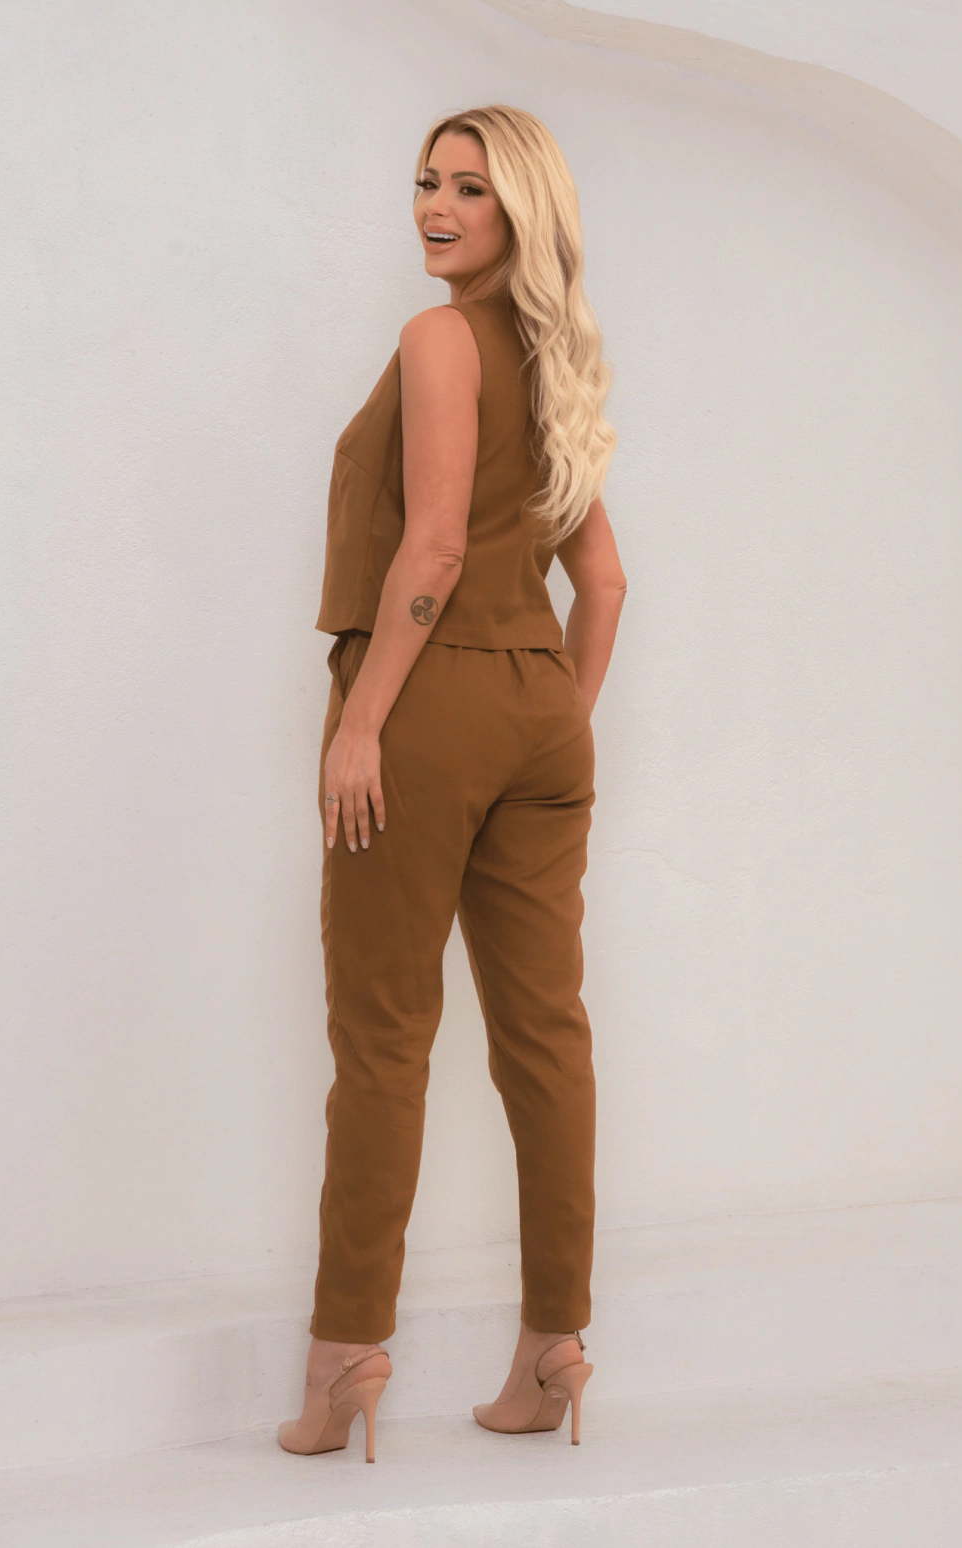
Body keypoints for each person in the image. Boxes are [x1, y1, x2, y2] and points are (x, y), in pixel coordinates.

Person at [278, 104, 626, 1464]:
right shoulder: (556, 366)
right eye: (427, 181)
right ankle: (552, 1350)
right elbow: (603, 583)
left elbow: (429, 551)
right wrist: (551, 721)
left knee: (383, 1040)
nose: (435, 205)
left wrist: (363, 726)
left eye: (470, 188)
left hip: (425, 704)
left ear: (521, 209)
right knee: (548, 1038)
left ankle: (344, 1361)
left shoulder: (438, 342)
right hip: (541, 711)